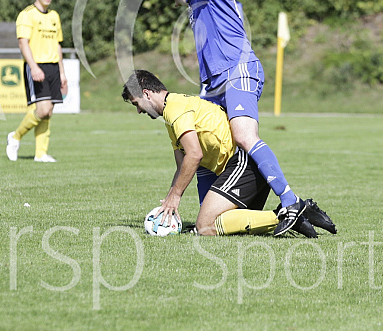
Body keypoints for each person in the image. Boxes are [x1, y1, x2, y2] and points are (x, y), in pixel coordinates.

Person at [153, 0, 306, 236]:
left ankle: (290, 201)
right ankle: (202, 221)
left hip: (238, 71)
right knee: (201, 144)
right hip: (213, 85)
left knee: (244, 135)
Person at [122, 70, 336, 237]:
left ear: (147, 94)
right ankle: (295, 212)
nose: (139, 111)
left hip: (243, 163)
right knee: (223, 224)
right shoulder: (172, 112)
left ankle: (289, 213)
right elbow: (182, 165)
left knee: (205, 227)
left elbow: (194, 155)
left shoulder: (175, 109)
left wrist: (176, 196)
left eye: (137, 104)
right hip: (239, 169)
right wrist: (170, 198)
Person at [6, 0, 68, 163]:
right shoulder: (27, 14)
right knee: (41, 110)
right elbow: (22, 43)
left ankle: (41, 153)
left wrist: (62, 72)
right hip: (37, 65)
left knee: (48, 112)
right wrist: (33, 67)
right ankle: (15, 136)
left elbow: (58, 45)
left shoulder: (54, 16)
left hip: (53, 67)